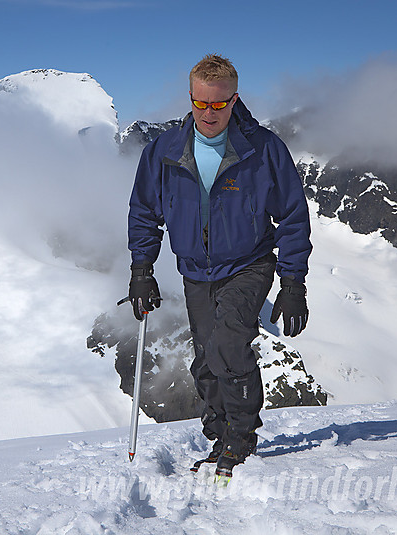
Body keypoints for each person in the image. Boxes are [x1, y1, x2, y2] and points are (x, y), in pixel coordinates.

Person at [126, 54, 312, 479]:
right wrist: (142, 269)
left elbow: (292, 216)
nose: (210, 113)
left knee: (229, 344)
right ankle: (220, 431)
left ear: (234, 99)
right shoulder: (164, 152)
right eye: (201, 103)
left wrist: (293, 281)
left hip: (249, 262)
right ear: (190, 98)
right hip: (194, 269)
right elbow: (144, 211)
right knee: (207, 359)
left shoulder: (264, 149)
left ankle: (241, 437)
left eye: (219, 104)